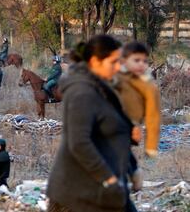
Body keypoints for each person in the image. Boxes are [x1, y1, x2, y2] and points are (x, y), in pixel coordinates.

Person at [47, 35, 137, 212]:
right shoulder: (82, 92)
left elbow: (112, 135)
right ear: (96, 61)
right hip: (77, 193)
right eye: (114, 62)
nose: (119, 67)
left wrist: (133, 168)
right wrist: (109, 178)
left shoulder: (104, 89)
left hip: (103, 188)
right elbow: (79, 143)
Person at [114, 42, 161, 191]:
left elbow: (153, 117)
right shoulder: (114, 77)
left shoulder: (149, 85)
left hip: (127, 130)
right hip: (107, 126)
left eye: (145, 61)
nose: (141, 64)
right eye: (136, 60)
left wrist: (151, 149)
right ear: (124, 60)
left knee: (120, 163)